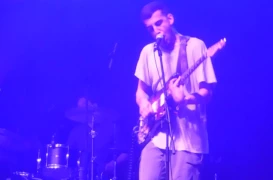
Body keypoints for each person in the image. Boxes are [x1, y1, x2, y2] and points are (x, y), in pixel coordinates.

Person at [134, 1, 218, 180]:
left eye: (159, 23)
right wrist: (144, 104)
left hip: (188, 140)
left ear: (170, 19)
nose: (155, 30)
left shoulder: (195, 46)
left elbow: (207, 93)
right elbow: (140, 91)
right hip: (156, 135)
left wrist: (186, 99)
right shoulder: (148, 52)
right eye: (150, 28)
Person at [66, 97, 129, 179]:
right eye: (80, 108)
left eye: (85, 105)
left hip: (106, 175)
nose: (83, 110)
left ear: (95, 105)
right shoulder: (75, 132)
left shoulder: (111, 128)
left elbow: (126, 153)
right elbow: (68, 155)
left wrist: (113, 164)